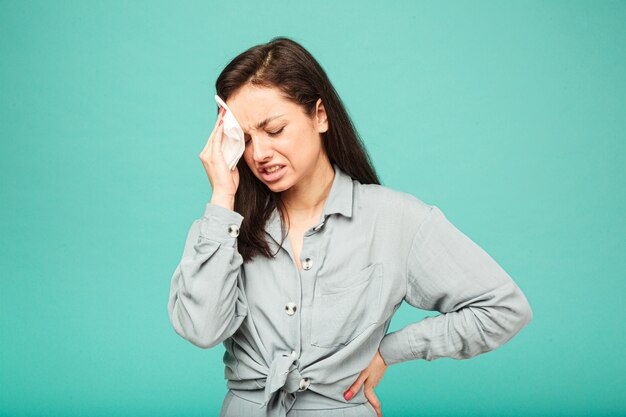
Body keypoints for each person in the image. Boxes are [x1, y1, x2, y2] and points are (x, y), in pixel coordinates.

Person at [167, 36, 533, 417]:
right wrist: (223, 198)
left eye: (274, 130)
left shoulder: (395, 219)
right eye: (243, 139)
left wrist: (391, 351)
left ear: (319, 115)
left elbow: (503, 308)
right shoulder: (223, 227)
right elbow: (201, 330)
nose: (259, 154)